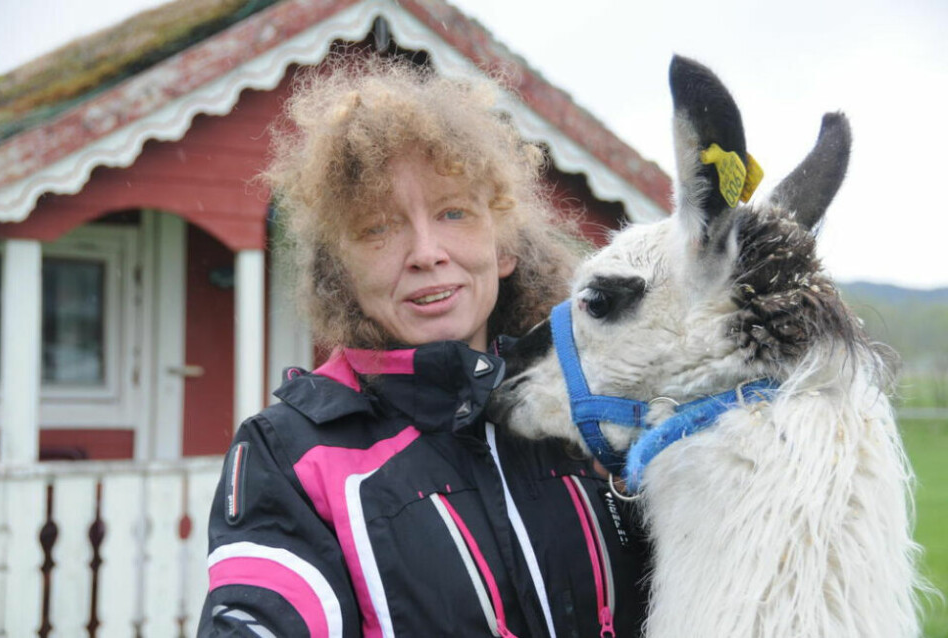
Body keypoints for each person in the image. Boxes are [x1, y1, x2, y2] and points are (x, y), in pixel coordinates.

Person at [198, 57, 650, 637]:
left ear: (504, 244)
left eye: (453, 212)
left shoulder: (600, 407)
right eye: (377, 228)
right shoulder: (289, 454)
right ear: (341, 273)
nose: (425, 251)